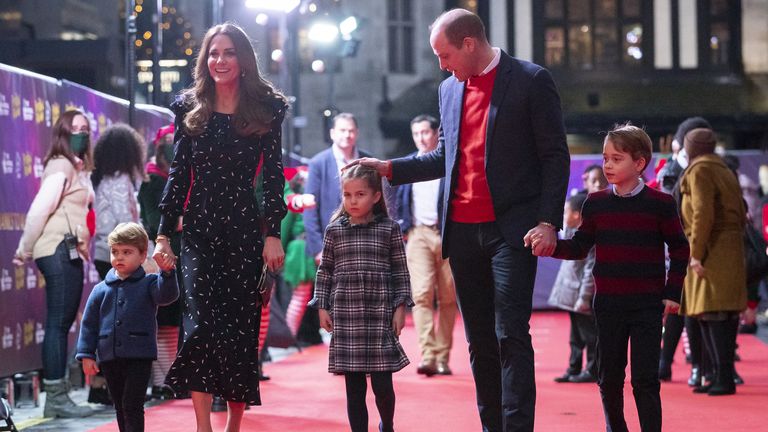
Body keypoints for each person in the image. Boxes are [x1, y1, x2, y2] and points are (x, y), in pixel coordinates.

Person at [350, 9, 570, 430]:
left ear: (469, 43)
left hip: (514, 231)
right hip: (463, 233)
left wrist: (548, 221)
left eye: (444, 53)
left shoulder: (530, 80)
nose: (441, 64)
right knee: (480, 340)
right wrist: (389, 167)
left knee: (511, 334)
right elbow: (442, 157)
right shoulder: (450, 89)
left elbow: (554, 156)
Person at [153, 22, 288, 432]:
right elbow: (178, 173)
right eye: (213, 53)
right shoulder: (190, 106)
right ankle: (202, 427)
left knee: (239, 330)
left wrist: (273, 233)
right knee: (198, 326)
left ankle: (233, 423)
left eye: (228, 52)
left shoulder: (266, 107)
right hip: (199, 231)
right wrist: (162, 233)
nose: (220, 60)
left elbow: (274, 176)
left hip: (245, 233)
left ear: (243, 59)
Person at [541, 124, 690, 432]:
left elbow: (679, 249)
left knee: (645, 380)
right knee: (609, 378)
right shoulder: (595, 203)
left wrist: (672, 293)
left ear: (640, 163)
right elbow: (580, 247)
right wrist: (551, 246)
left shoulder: (660, 204)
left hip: (648, 305)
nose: (607, 165)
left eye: (616, 159)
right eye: (606, 157)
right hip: (608, 304)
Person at [309, 164, 412, 432]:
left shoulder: (389, 229)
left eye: (360, 194)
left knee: (382, 386)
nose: (352, 201)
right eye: (347, 195)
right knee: (353, 388)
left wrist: (400, 307)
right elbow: (325, 271)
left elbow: (401, 271)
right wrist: (322, 306)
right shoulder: (335, 230)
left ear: (376, 196)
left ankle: (386, 425)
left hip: (379, 314)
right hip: (346, 314)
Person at [13, 109, 95, 418]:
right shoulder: (61, 165)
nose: (81, 133)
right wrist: (24, 248)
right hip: (57, 248)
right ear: (62, 133)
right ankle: (57, 397)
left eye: (85, 128)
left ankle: (58, 395)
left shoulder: (75, 167)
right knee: (58, 325)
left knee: (60, 324)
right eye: (74, 128)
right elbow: (39, 209)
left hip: (65, 248)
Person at [303, 113, 396, 346]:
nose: (347, 135)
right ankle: (341, 345)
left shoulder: (367, 161)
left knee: (365, 292)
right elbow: (309, 208)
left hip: (367, 238)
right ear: (332, 134)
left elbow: (381, 198)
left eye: (351, 130)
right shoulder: (318, 163)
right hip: (332, 239)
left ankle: (366, 343)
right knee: (335, 292)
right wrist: (317, 248)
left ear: (357, 133)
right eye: (342, 130)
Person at [76, 222, 179, 432]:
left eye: (127, 252)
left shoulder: (150, 283)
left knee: (132, 404)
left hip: (139, 356)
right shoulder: (99, 290)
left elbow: (167, 296)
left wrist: (168, 274)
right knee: (120, 405)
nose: (119, 257)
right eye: (115, 252)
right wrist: (86, 354)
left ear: (143, 256)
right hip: (109, 357)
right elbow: (89, 325)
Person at [678, 128, 747, 396]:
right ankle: (722, 375)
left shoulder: (699, 171)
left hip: (708, 248)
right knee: (726, 314)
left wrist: (696, 253)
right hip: (729, 247)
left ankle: (720, 377)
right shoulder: (724, 169)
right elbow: (742, 211)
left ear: (691, 147)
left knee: (711, 312)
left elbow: (702, 213)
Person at [395, 114, 456, 377]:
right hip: (417, 234)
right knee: (420, 295)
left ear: (436, 134)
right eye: (416, 133)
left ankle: (443, 357)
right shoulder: (410, 164)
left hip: (447, 235)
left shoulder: (448, 163)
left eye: (425, 133)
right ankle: (428, 355)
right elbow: (397, 197)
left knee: (448, 297)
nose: (421, 138)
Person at [656, 116, 713, 385]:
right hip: (677, 247)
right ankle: (677, 363)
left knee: (692, 308)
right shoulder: (670, 171)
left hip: (702, 246)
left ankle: (697, 365)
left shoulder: (708, 168)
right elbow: (671, 212)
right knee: (680, 307)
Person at [137, 123, 184, 399]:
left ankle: (169, 378)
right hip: (160, 256)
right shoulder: (151, 180)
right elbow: (155, 223)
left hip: (179, 257)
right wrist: (183, 222)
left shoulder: (177, 177)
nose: (171, 144)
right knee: (163, 318)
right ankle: (160, 380)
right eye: (166, 140)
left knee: (174, 319)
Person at [547, 193, 597, 384]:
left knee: (590, 336)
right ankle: (573, 367)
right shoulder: (570, 233)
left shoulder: (589, 239)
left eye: (567, 211)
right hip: (569, 294)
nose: (564, 214)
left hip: (580, 296)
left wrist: (584, 298)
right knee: (575, 337)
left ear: (577, 215)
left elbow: (589, 271)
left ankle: (592, 369)